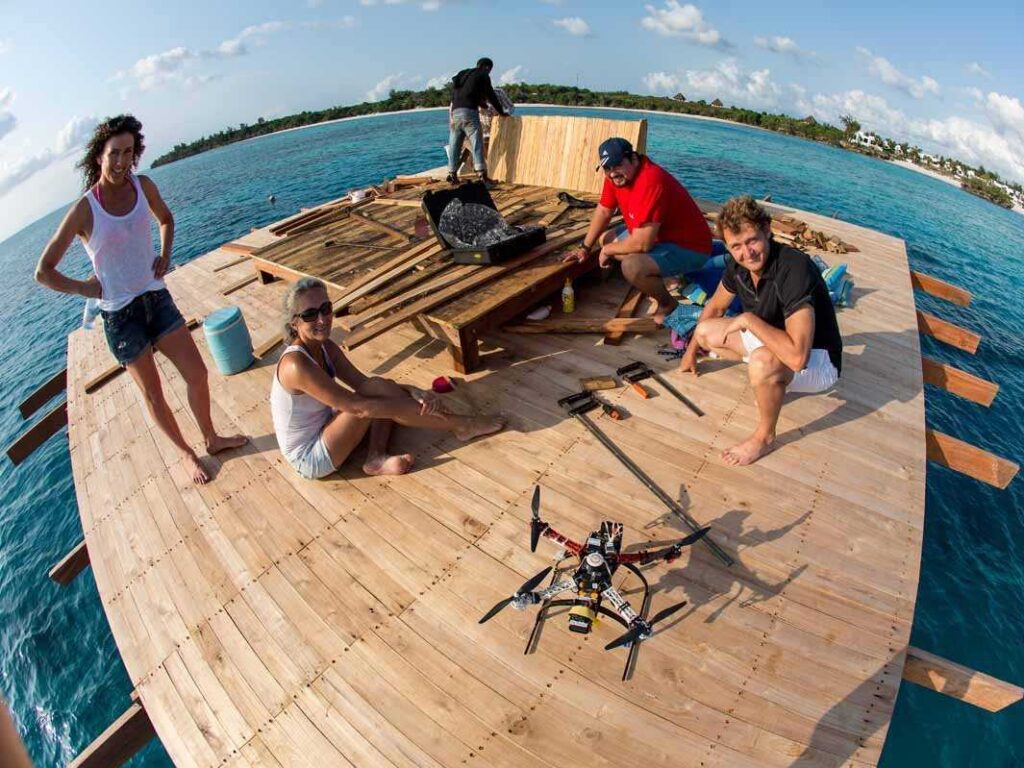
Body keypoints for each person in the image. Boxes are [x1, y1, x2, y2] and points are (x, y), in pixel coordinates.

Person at [35, 115, 247, 484]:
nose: (121, 162)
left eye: (128, 153)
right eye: (114, 153)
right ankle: (185, 453)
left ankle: (211, 438)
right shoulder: (85, 209)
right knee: (153, 394)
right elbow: (44, 271)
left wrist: (164, 254)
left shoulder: (143, 186)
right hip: (121, 317)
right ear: (99, 156)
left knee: (197, 374)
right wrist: (85, 288)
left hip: (156, 299)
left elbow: (165, 218)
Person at [271, 277, 506, 479]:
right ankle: (462, 424)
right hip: (310, 457)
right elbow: (358, 408)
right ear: (295, 322)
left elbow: (364, 384)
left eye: (326, 308)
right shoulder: (295, 365)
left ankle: (375, 459)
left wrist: (414, 391)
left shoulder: (325, 347)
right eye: (310, 314)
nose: (322, 319)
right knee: (370, 403)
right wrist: (413, 405)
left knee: (377, 386)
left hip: (327, 427)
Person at [680, 196, 843, 466]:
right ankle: (770, 381)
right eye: (736, 246)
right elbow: (714, 308)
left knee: (762, 362)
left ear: (767, 230)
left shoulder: (794, 268)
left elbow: (797, 358)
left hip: (818, 361)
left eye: (752, 240)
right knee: (706, 331)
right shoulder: (738, 266)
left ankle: (765, 436)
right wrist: (691, 352)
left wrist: (748, 320)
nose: (747, 253)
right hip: (774, 341)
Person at [563, 137, 717, 326]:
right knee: (607, 238)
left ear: (634, 158)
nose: (612, 173)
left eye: (617, 165)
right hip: (660, 239)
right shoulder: (615, 178)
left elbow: (642, 244)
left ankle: (668, 304)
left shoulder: (651, 181)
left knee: (632, 266)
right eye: (607, 168)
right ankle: (667, 277)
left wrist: (608, 251)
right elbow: (604, 210)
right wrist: (584, 248)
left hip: (691, 248)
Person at [447, 57, 507, 185]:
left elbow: (464, 93)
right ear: (487, 67)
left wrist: (481, 103)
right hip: (469, 112)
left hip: (455, 113)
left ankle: (452, 175)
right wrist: (501, 112)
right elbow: (491, 95)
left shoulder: (464, 75)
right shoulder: (483, 74)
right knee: (477, 144)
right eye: (489, 70)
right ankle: (482, 177)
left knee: (455, 145)